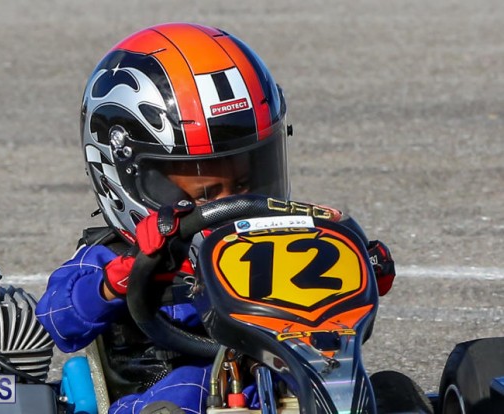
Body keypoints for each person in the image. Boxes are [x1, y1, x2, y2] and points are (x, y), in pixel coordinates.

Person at [36, 22, 396, 413]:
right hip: (161, 392)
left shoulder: (271, 242)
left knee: (391, 391)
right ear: (124, 173)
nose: (231, 204)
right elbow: (59, 318)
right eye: (207, 194)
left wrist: (360, 262)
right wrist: (119, 280)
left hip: (274, 370)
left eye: (243, 183)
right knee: (190, 387)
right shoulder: (113, 255)